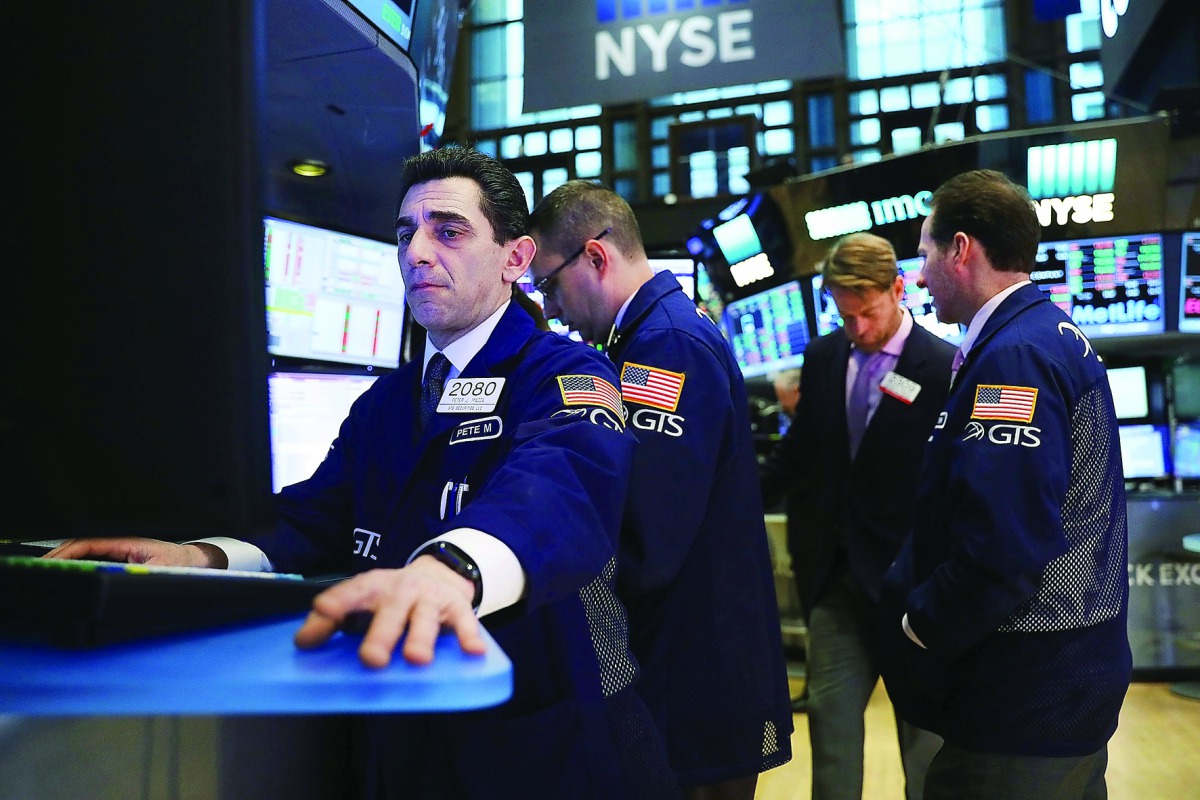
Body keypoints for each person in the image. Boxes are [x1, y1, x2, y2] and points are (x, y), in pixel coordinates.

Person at [48, 146, 679, 799]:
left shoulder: (564, 375)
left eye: (449, 230)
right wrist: (197, 558)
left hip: (545, 746)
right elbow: (313, 519)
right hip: (408, 740)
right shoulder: (384, 403)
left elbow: (563, 484)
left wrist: (451, 570)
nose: (417, 253)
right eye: (406, 234)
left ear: (516, 258)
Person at [527, 180, 793, 800]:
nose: (555, 307)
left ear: (595, 257)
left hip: (693, 675)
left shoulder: (663, 345)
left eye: (550, 284)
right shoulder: (661, 328)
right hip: (696, 663)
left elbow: (649, 531)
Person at [878, 169, 1131, 800]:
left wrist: (921, 626)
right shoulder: (1045, 334)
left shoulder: (1014, 357)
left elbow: (1003, 544)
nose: (919, 271)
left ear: (961, 250)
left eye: (925, 250)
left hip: (1021, 696)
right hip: (1057, 682)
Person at [759, 232, 952, 800]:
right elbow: (801, 452)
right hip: (837, 579)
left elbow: (949, 483)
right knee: (831, 729)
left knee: (924, 747)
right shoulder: (824, 357)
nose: (858, 330)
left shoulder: (941, 367)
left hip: (913, 587)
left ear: (898, 290)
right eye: (845, 317)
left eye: (867, 313)